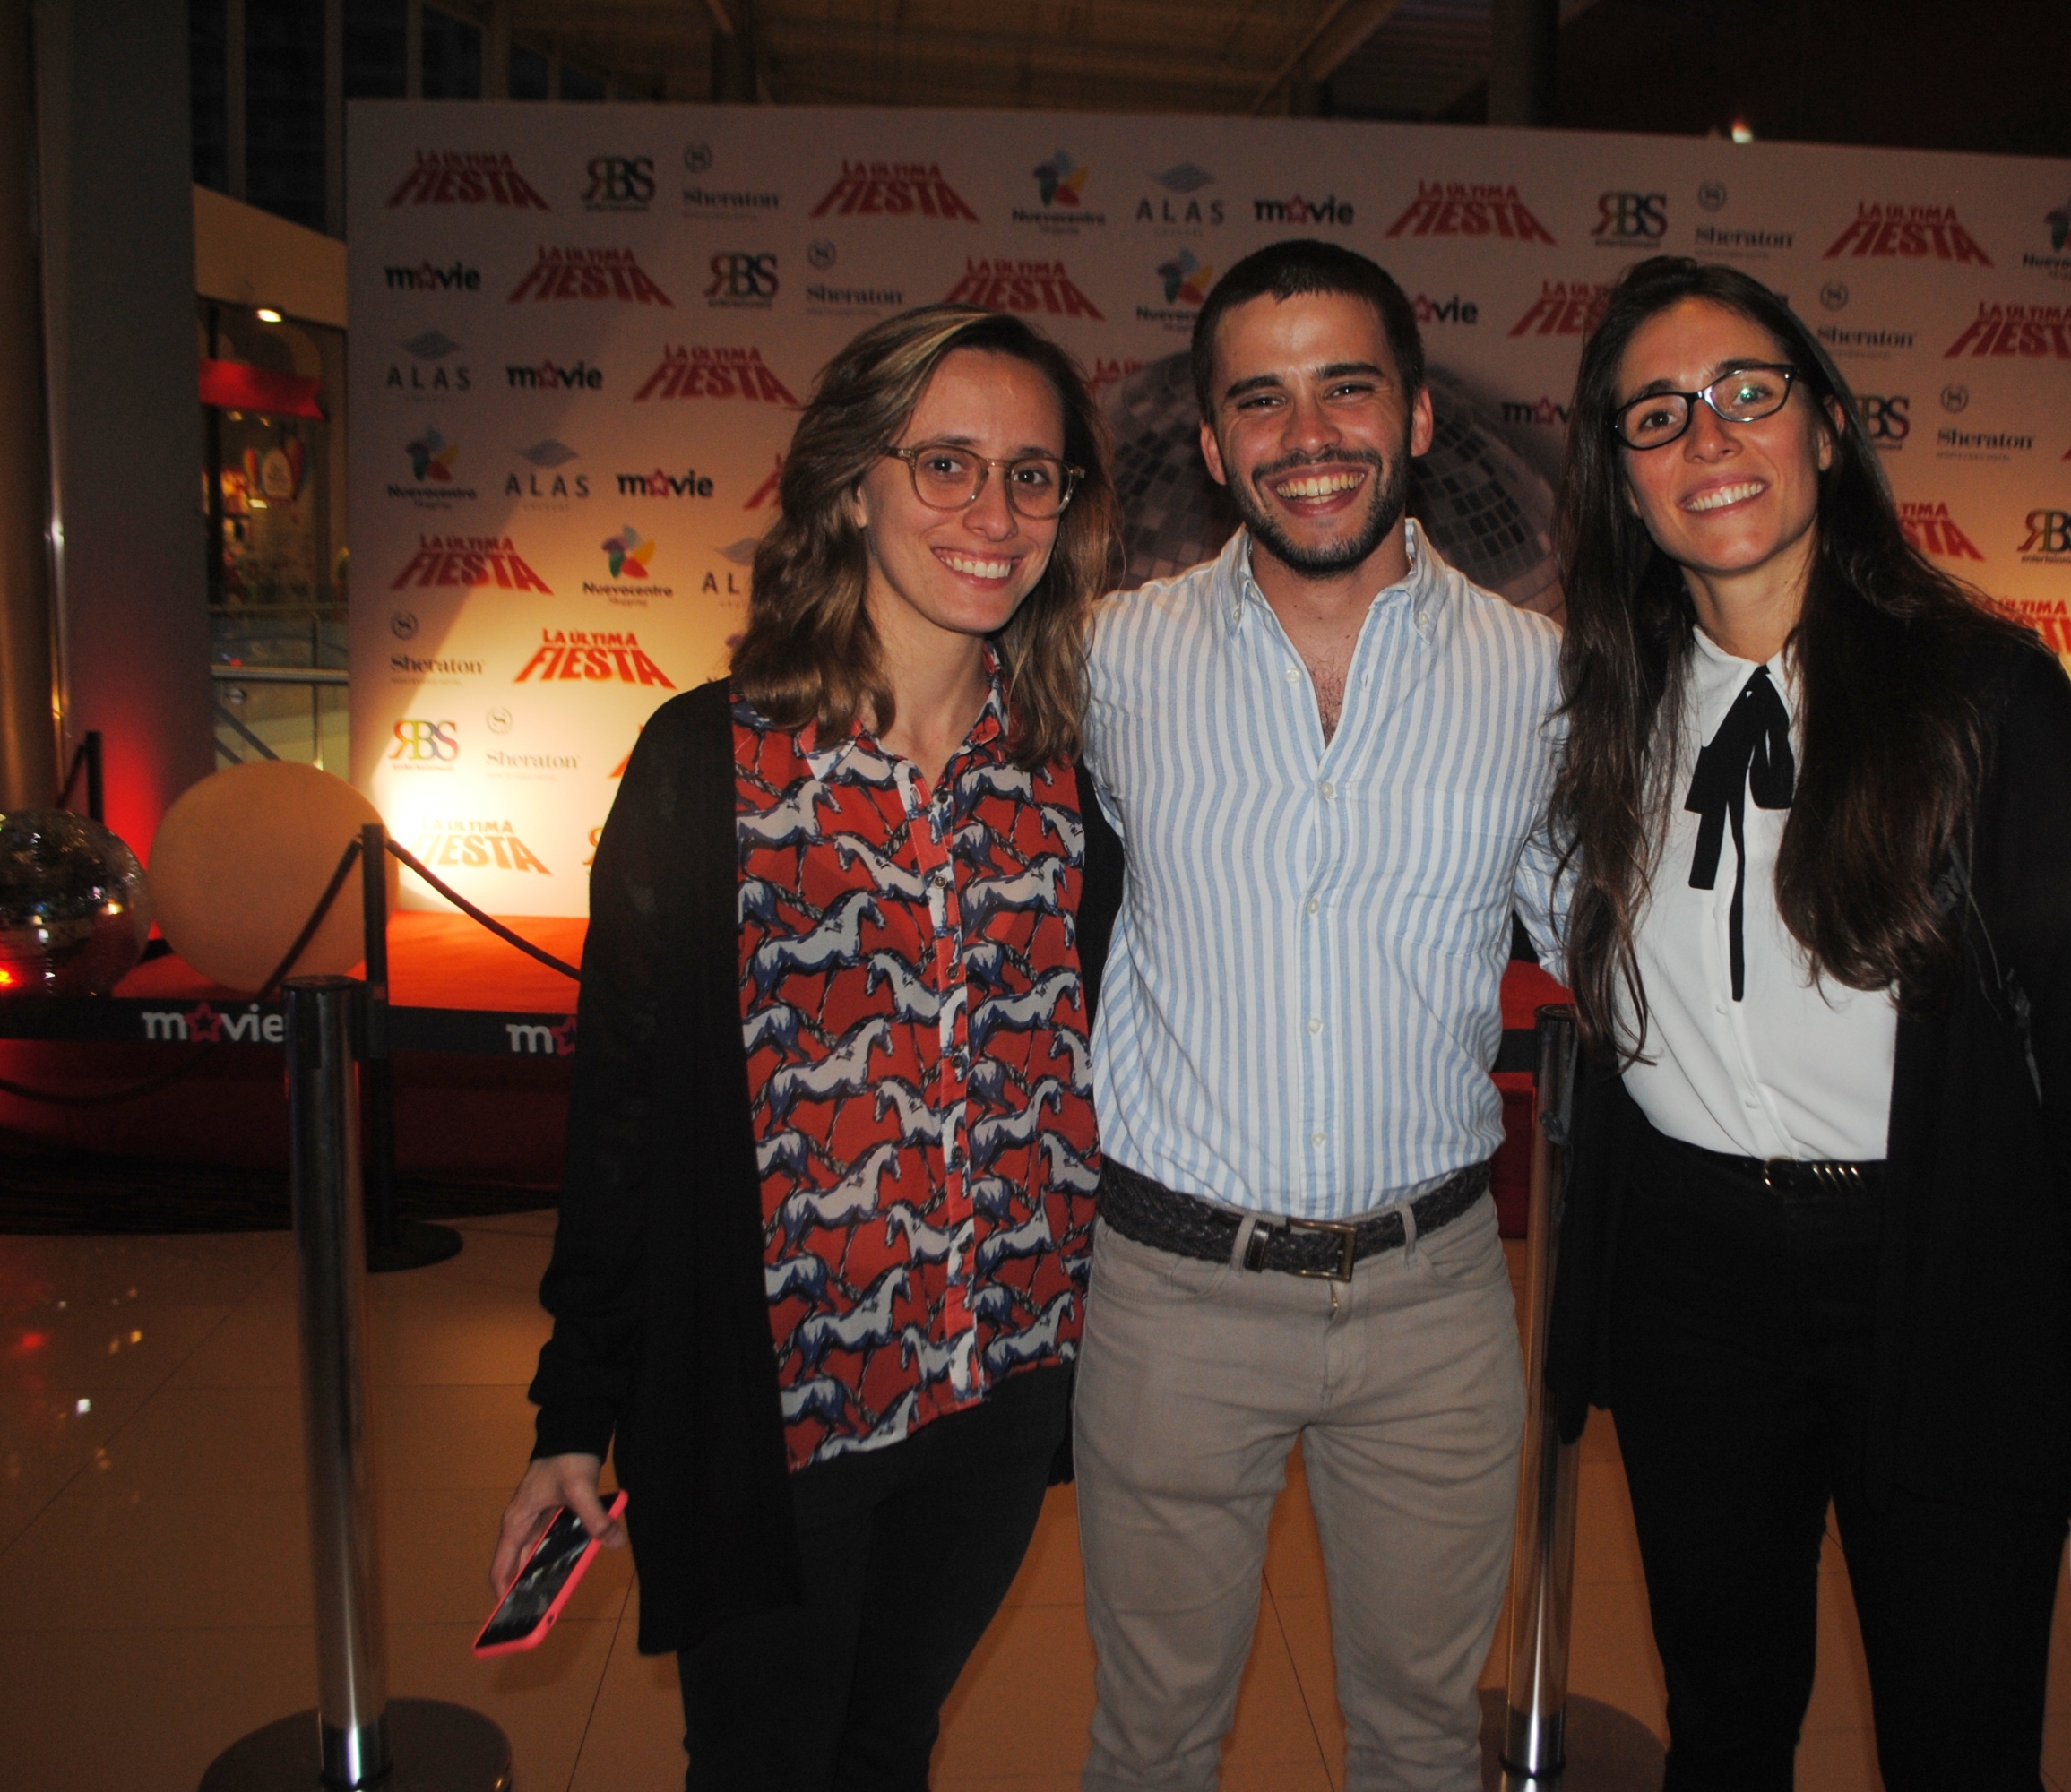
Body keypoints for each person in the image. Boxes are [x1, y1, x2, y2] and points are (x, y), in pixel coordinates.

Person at [1541, 255, 2071, 1790]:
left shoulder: (1987, 698)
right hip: (1692, 1281)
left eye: (1750, 395)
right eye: (1660, 417)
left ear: (1825, 425)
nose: (1712, 440)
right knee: (1727, 1720)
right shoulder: (1601, 707)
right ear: (1622, 482)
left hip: (1938, 1269)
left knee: (1960, 1737)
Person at [488, 304, 1122, 1792]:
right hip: (779, 1402)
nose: (994, 513)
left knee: (891, 1747)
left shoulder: (1074, 774)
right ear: (852, 484)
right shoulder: (708, 760)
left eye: (1034, 476)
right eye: (948, 464)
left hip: (1005, 1378)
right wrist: (575, 1406)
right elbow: (626, 1104)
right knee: (765, 1764)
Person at [1074, 238, 1566, 1792]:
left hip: (1433, 1309)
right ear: (1213, 447)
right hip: (1170, 1300)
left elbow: (1628, 946)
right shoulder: (1105, 662)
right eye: (1262, 403)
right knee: (1152, 1744)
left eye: (1346, 388)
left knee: (1425, 1744)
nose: (1308, 437)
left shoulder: (1541, 678)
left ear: (1417, 416)